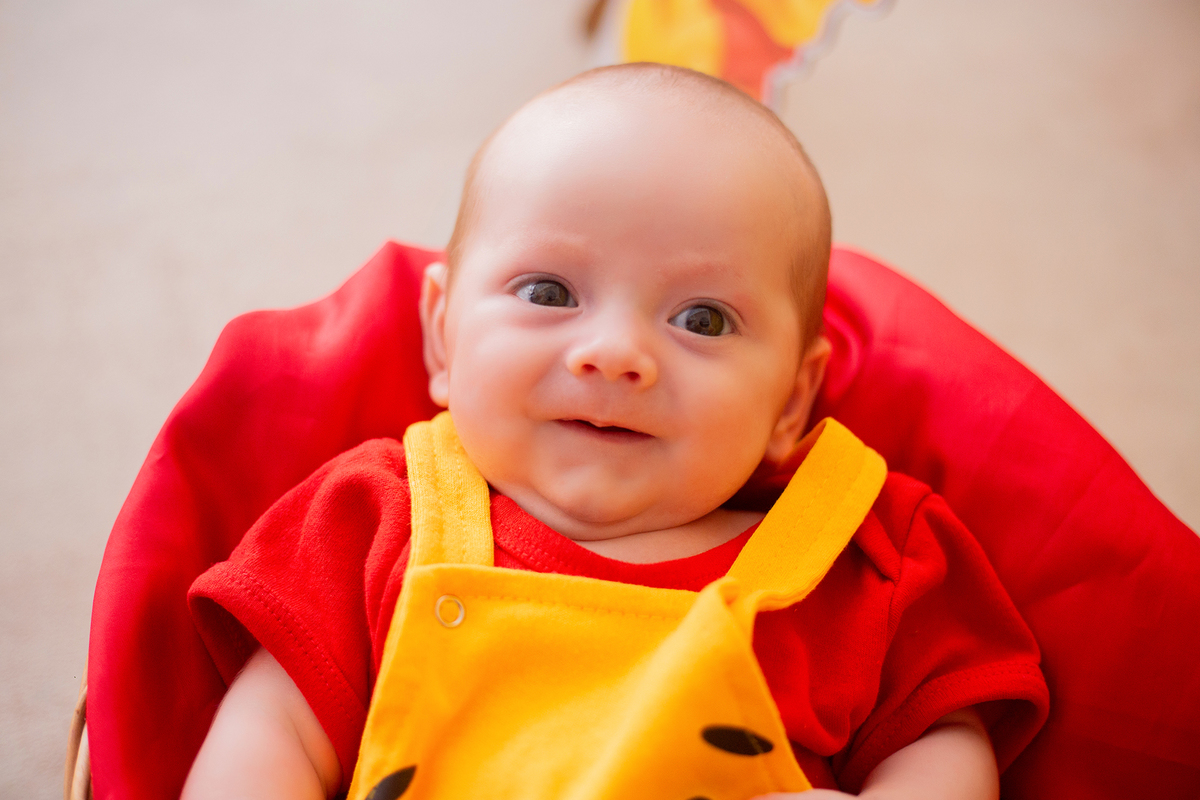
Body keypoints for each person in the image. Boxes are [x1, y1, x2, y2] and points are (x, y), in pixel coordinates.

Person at [182, 64, 1048, 800]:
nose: (615, 354)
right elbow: (271, 733)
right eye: (551, 294)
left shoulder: (859, 565)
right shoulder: (374, 522)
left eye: (702, 318)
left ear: (792, 399)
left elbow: (946, 741)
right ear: (443, 335)